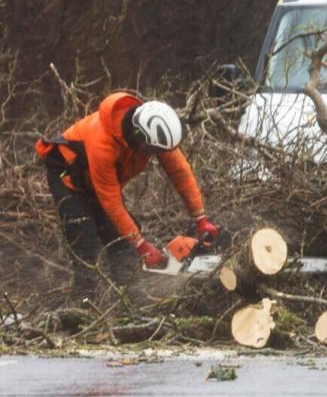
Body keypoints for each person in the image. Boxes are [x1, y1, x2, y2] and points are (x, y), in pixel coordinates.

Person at [35, 92, 218, 299]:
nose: (152, 154)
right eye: (150, 150)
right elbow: (111, 201)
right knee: (86, 247)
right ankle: (82, 309)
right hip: (68, 179)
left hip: (98, 181)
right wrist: (142, 245)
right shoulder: (102, 142)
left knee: (123, 243)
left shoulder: (156, 134)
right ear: (139, 136)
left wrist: (200, 218)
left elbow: (180, 172)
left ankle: (130, 302)